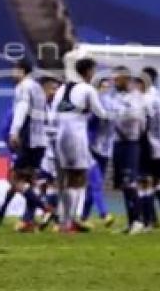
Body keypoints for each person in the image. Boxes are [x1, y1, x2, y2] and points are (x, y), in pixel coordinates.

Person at [53, 58, 108, 233]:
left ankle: (62, 221)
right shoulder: (87, 89)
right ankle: (69, 222)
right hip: (76, 135)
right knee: (79, 178)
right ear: (89, 71)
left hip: (60, 135)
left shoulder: (62, 89)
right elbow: (101, 113)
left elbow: (53, 113)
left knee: (65, 179)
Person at [8, 60, 52, 232]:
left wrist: (14, 131)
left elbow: (22, 108)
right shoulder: (38, 88)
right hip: (41, 140)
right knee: (30, 181)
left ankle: (46, 208)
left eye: (14, 70)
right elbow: (46, 113)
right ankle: (28, 221)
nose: (12, 74)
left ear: (21, 71)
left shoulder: (23, 87)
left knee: (14, 178)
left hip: (29, 138)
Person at [104, 66, 148, 234]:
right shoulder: (114, 97)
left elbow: (137, 119)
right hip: (117, 144)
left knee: (131, 181)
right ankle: (131, 222)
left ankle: (139, 221)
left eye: (117, 79)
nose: (114, 82)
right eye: (113, 79)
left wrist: (120, 119)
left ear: (126, 79)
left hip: (130, 143)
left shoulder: (136, 97)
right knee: (123, 184)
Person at [138, 67, 160, 232]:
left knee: (144, 182)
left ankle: (150, 220)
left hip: (147, 146)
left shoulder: (146, 99)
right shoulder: (159, 98)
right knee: (157, 183)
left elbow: (143, 124)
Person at [82, 77, 115, 228]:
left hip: (105, 150)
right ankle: (104, 214)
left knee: (92, 185)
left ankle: (83, 217)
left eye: (108, 87)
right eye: (103, 87)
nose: (105, 90)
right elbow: (87, 124)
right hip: (92, 148)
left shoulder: (112, 104)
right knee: (96, 183)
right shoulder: (93, 105)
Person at [37, 75, 62, 230]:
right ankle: (48, 212)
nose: (55, 92)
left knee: (55, 183)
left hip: (56, 150)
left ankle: (51, 215)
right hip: (41, 149)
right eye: (52, 88)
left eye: (56, 88)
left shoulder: (61, 105)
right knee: (41, 183)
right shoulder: (37, 106)